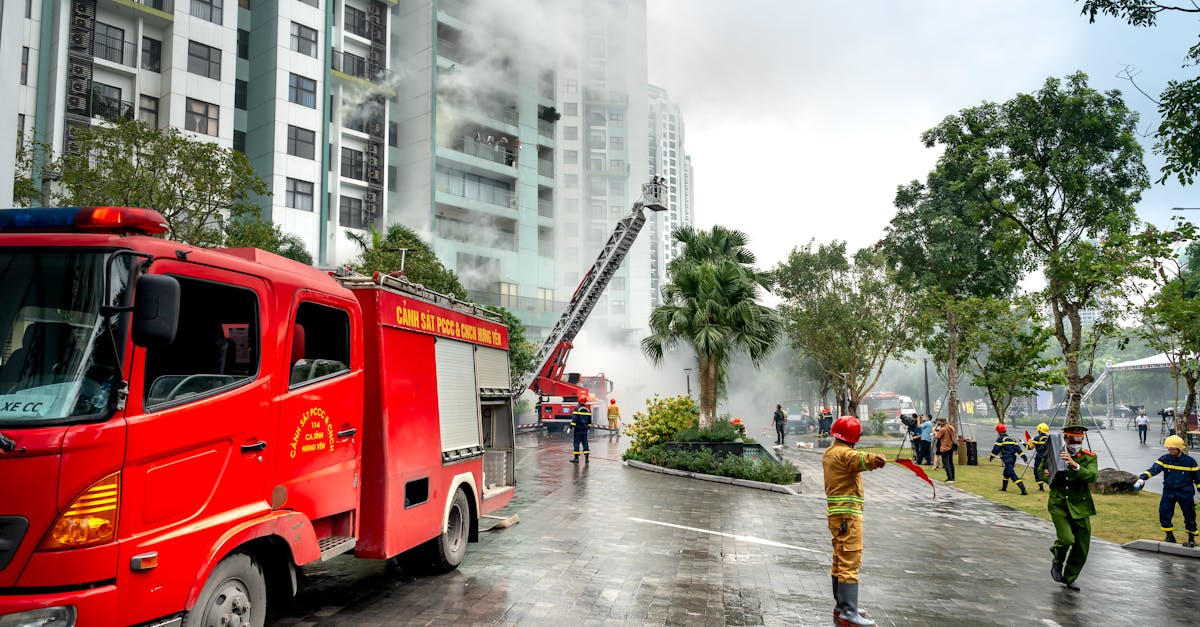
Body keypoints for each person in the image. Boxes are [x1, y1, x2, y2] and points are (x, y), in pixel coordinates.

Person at [823, 415, 886, 626]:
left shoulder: (830, 452)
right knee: (850, 559)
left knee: (839, 558)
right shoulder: (844, 453)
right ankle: (849, 613)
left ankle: (841, 606)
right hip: (848, 516)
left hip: (837, 516)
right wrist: (875, 460)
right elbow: (858, 459)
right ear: (853, 436)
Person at [1044, 424, 1097, 591]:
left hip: (1080, 504)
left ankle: (1070, 577)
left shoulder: (1089, 457)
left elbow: (1093, 476)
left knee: (1082, 545)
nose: (1076, 442)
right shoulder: (1055, 453)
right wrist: (1046, 474)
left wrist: (1075, 465)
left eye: (1080, 439)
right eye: (1073, 439)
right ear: (1065, 439)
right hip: (1059, 503)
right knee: (1067, 539)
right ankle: (1058, 558)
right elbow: (1040, 471)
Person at [1132, 434, 1200, 546]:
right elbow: (1154, 469)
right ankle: (1169, 536)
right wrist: (1142, 478)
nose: (1169, 450)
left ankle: (1191, 539)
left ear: (1179, 448)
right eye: (1168, 448)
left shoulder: (1190, 462)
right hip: (1169, 492)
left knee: (1189, 515)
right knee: (1164, 513)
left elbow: (1198, 478)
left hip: (1185, 493)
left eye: (1171, 448)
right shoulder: (1165, 459)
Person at [989, 423, 1030, 495]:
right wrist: (1024, 458)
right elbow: (1018, 449)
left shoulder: (1000, 439)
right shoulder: (1012, 439)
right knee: (1006, 473)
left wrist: (991, 457)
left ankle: (1023, 490)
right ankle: (1004, 488)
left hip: (1007, 459)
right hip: (1013, 458)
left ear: (998, 431)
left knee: (1012, 474)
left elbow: (996, 450)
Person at [569, 393, 593, 463]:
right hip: (585, 429)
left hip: (578, 429)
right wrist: (588, 428)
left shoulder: (577, 409)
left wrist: (570, 427)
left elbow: (574, 420)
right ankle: (587, 458)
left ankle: (576, 458)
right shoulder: (588, 410)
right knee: (585, 442)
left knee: (576, 443)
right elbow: (589, 421)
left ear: (579, 401)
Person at [1026, 423, 1050, 491]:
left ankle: (1041, 487)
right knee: (1047, 472)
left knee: (1037, 471)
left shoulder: (1037, 438)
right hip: (1048, 458)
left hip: (1039, 457)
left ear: (1039, 430)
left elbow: (1029, 447)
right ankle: (1050, 484)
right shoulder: (1049, 438)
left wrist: (1024, 443)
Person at [934, 418, 957, 483]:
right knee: (950, 462)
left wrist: (935, 432)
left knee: (946, 463)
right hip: (951, 446)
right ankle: (953, 477)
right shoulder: (951, 427)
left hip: (944, 447)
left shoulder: (942, 429)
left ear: (940, 423)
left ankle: (949, 478)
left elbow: (937, 437)